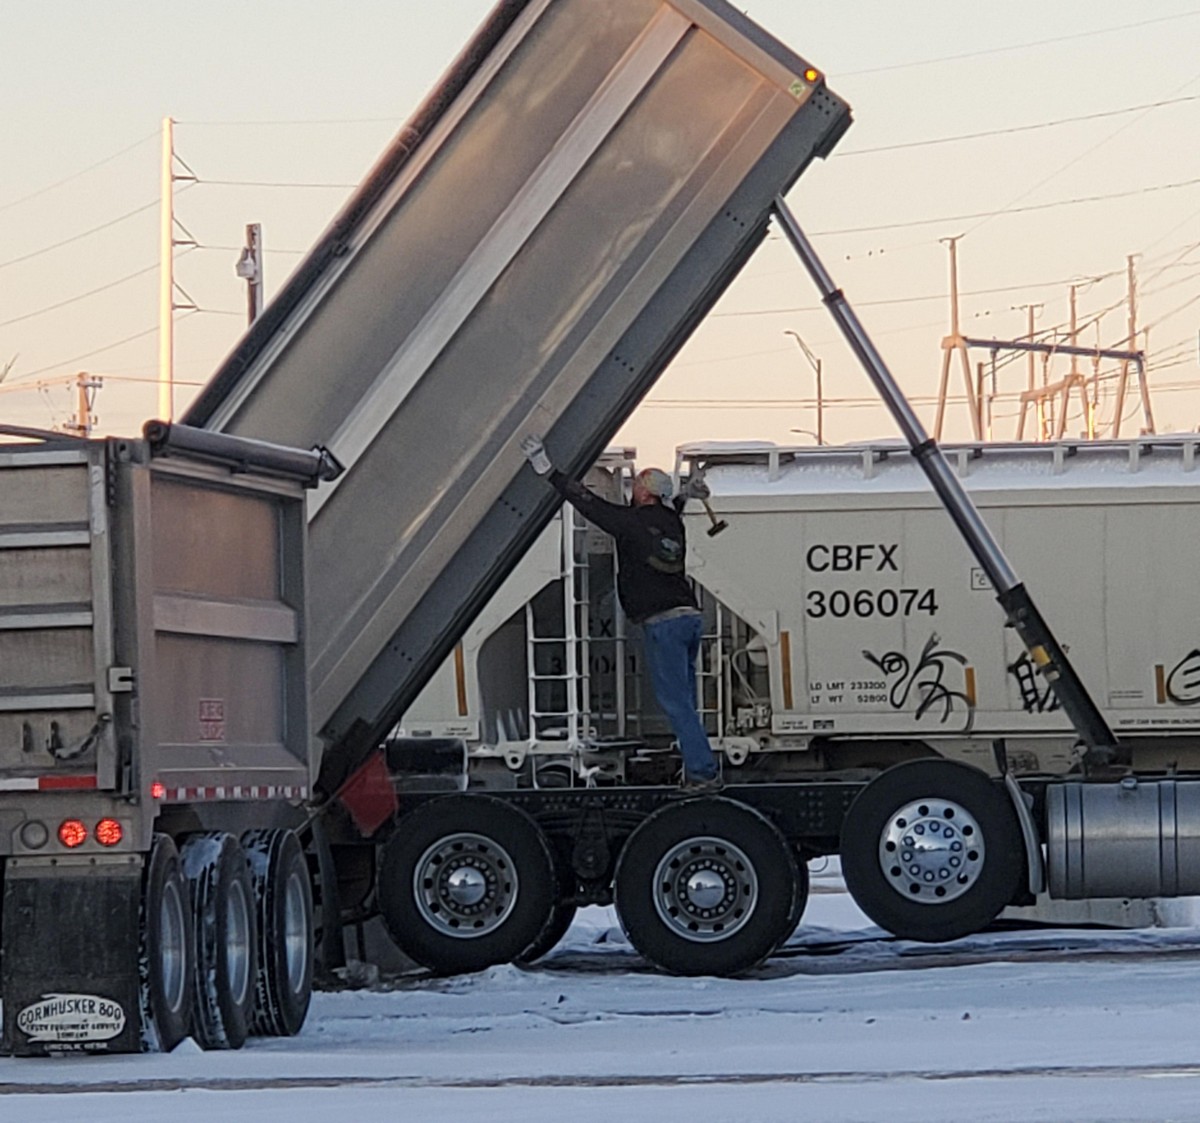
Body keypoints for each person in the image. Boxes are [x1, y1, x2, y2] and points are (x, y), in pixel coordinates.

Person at [521, 435, 722, 795]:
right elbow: (670, 510)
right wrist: (688, 493)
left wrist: (547, 470)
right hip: (690, 617)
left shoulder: (629, 523)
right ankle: (697, 766)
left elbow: (589, 503)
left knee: (675, 703)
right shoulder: (673, 523)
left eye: (635, 488)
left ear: (643, 493)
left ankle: (704, 773)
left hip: (664, 623)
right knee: (686, 702)